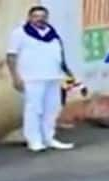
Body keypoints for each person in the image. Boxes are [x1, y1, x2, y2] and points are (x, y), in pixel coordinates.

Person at [7, 5, 75, 152]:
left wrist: (67, 72)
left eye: (43, 16)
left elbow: (59, 55)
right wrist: (15, 77)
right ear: (29, 17)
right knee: (34, 109)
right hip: (32, 77)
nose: (40, 19)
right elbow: (11, 56)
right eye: (36, 16)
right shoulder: (20, 33)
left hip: (53, 76)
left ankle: (49, 138)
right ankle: (34, 140)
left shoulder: (52, 33)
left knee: (52, 109)